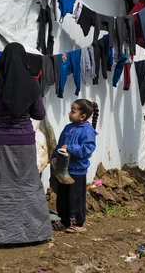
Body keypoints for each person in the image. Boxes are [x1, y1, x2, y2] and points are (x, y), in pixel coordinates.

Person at [0, 40, 52, 245]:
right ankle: (34, 233)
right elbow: (39, 113)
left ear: (4, 59)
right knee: (27, 186)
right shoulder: (31, 84)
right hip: (24, 142)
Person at [51, 99, 98, 233]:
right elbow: (60, 145)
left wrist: (70, 148)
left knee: (76, 197)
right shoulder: (68, 127)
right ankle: (64, 220)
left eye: (73, 111)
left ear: (83, 116)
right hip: (63, 170)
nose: (69, 113)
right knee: (63, 197)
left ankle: (78, 223)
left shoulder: (87, 131)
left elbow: (88, 149)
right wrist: (54, 154)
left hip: (77, 171)